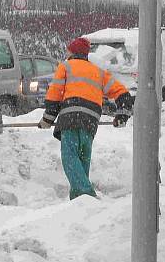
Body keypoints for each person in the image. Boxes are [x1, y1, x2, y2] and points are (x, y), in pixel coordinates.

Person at [38, 37, 133, 200]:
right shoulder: (98, 72)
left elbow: (55, 94)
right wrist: (122, 114)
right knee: (83, 158)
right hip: (91, 120)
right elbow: (122, 93)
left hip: (71, 117)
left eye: (68, 50)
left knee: (70, 157)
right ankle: (79, 201)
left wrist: (47, 119)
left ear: (73, 52)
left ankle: (85, 194)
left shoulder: (65, 67)